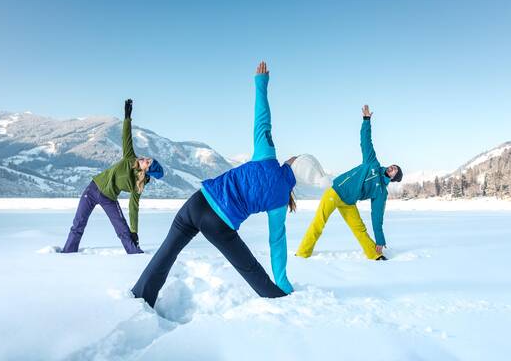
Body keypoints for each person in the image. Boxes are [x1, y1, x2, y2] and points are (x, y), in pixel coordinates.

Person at [132, 62, 305, 307]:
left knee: (167, 253)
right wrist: (283, 280)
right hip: (219, 224)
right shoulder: (279, 201)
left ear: (292, 164)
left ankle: (140, 297)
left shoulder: (267, 156)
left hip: (198, 201)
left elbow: (262, 121)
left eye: (296, 158)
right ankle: (279, 297)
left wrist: (261, 83)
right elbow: (277, 242)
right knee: (249, 267)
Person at [296, 105, 403, 261]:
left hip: (349, 202)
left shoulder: (381, 192)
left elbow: (377, 215)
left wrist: (380, 239)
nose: (393, 168)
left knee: (360, 229)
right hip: (336, 191)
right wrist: (366, 120)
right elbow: (366, 141)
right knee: (319, 223)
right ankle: (302, 253)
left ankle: (375, 254)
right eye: (394, 166)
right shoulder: (372, 163)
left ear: (393, 178)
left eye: (396, 171)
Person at [62, 99, 164, 254]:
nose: (144, 159)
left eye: (147, 162)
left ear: (147, 171)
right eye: (147, 158)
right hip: (92, 189)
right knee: (78, 224)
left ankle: (136, 255)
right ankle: (67, 253)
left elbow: (133, 207)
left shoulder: (138, 185)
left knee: (123, 230)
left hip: (109, 198)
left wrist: (134, 230)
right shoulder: (130, 158)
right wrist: (127, 117)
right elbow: (126, 137)